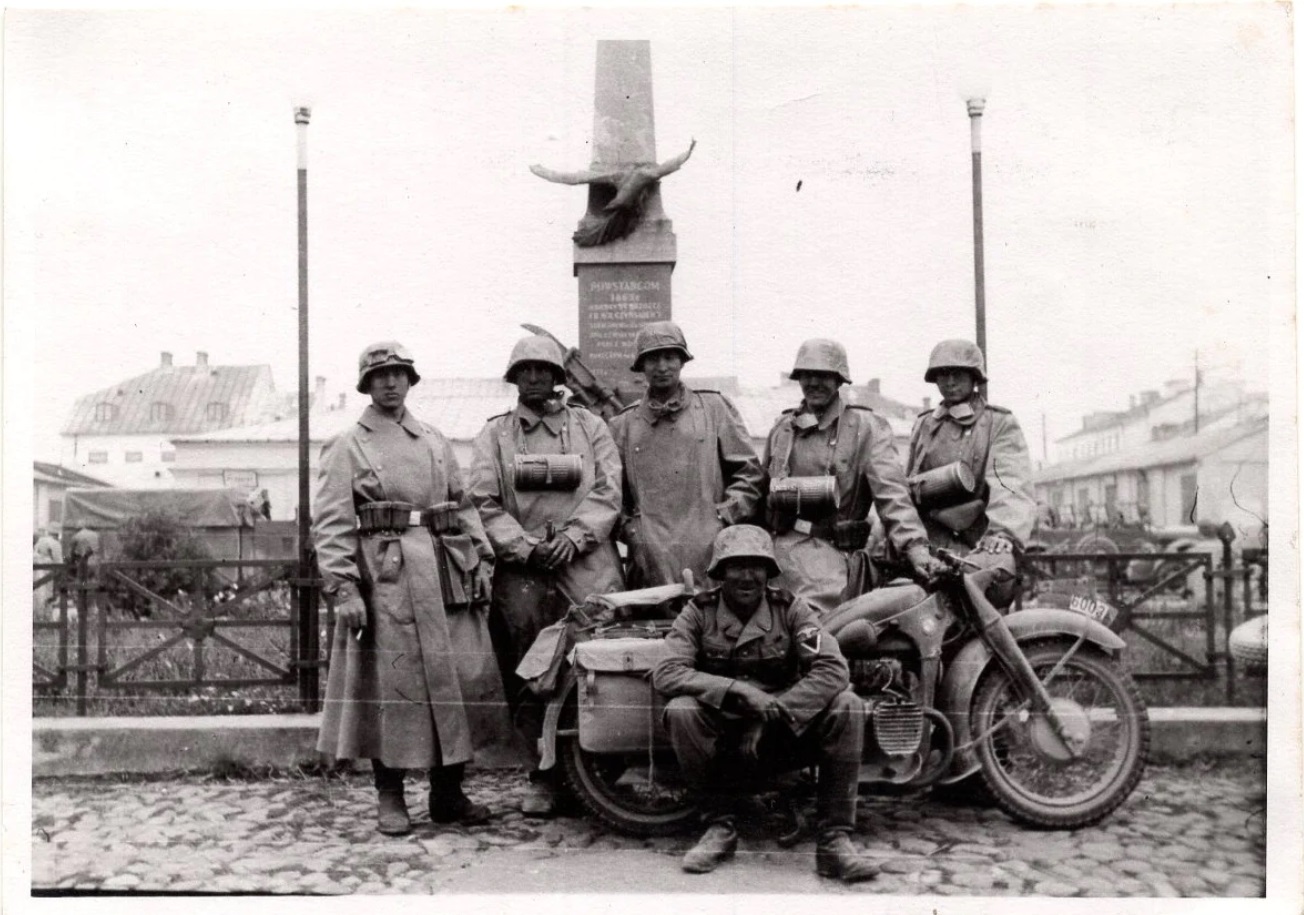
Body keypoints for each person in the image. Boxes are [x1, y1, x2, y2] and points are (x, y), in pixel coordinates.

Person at [313, 341, 497, 836]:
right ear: (366, 385)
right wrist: (344, 588)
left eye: (398, 374)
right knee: (390, 686)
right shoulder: (348, 444)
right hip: (385, 577)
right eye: (380, 376)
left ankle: (448, 793)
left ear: (410, 380)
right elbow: (332, 523)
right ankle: (390, 795)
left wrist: (480, 557)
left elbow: (462, 504)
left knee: (454, 681)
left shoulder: (434, 439)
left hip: (443, 570)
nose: (390, 382)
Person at [653, 525, 878, 883]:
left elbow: (833, 669)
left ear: (769, 571)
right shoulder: (698, 613)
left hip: (785, 733)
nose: (747, 576)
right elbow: (666, 672)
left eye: (756, 566)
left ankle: (834, 841)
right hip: (725, 742)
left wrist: (773, 713)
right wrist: (737, 691)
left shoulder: (791, 610)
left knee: (847, 704)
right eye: (736, 566)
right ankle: (719, 827)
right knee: (682, 710)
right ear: (720, 572)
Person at [470, 334, 625, 817]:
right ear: (514, 378)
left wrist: (574, 538)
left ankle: (596, 772)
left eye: (543, 369)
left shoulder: (590, 426)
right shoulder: (495, 435)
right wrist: (525, 547)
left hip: (587, 564)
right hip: (525, 570)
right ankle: (540, 774)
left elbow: (609, 491)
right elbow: (482, 502)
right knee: (529, 669)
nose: (534, 377)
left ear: (558, 376)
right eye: (525, 370)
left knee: (596, 661)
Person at [763, 339, 942, 613]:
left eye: (823, 376)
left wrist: (915, 547)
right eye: (807, 375)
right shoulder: (783, 428)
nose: (814, 383)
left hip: (830, 561)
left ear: (839, 380)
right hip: (778, 555)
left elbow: (893, 496)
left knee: (819, 629)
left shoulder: (865, 427)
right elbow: (760, 492)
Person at [608, 321, 763, 587]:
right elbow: (610, 492)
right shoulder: (623, 425)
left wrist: (723, 516)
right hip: (650, 555)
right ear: (641, 366)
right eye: (653, 359)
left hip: (709, 549)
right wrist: (631, 530)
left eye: (670, 357)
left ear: (682, 361)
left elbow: (749, 473)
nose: (662, 367)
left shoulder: (714, 408)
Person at [907, 340, 1036, 604]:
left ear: (974, 377)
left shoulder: (997, 422)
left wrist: (1003, 533)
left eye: (958, 374)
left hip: (975, 545)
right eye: (942, 374)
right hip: (928, 547)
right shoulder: (925, 424)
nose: (950, 381)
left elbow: (1010, 482)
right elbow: (907, 485)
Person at [33, 528, 63, 614]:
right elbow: (59, 562)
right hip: (48, 569)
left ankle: (38, 613)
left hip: (37, 568)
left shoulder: (40, 540)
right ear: (57, 535)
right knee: (47, 594)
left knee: (38, 593)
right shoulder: (55, 543)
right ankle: (46, 613)